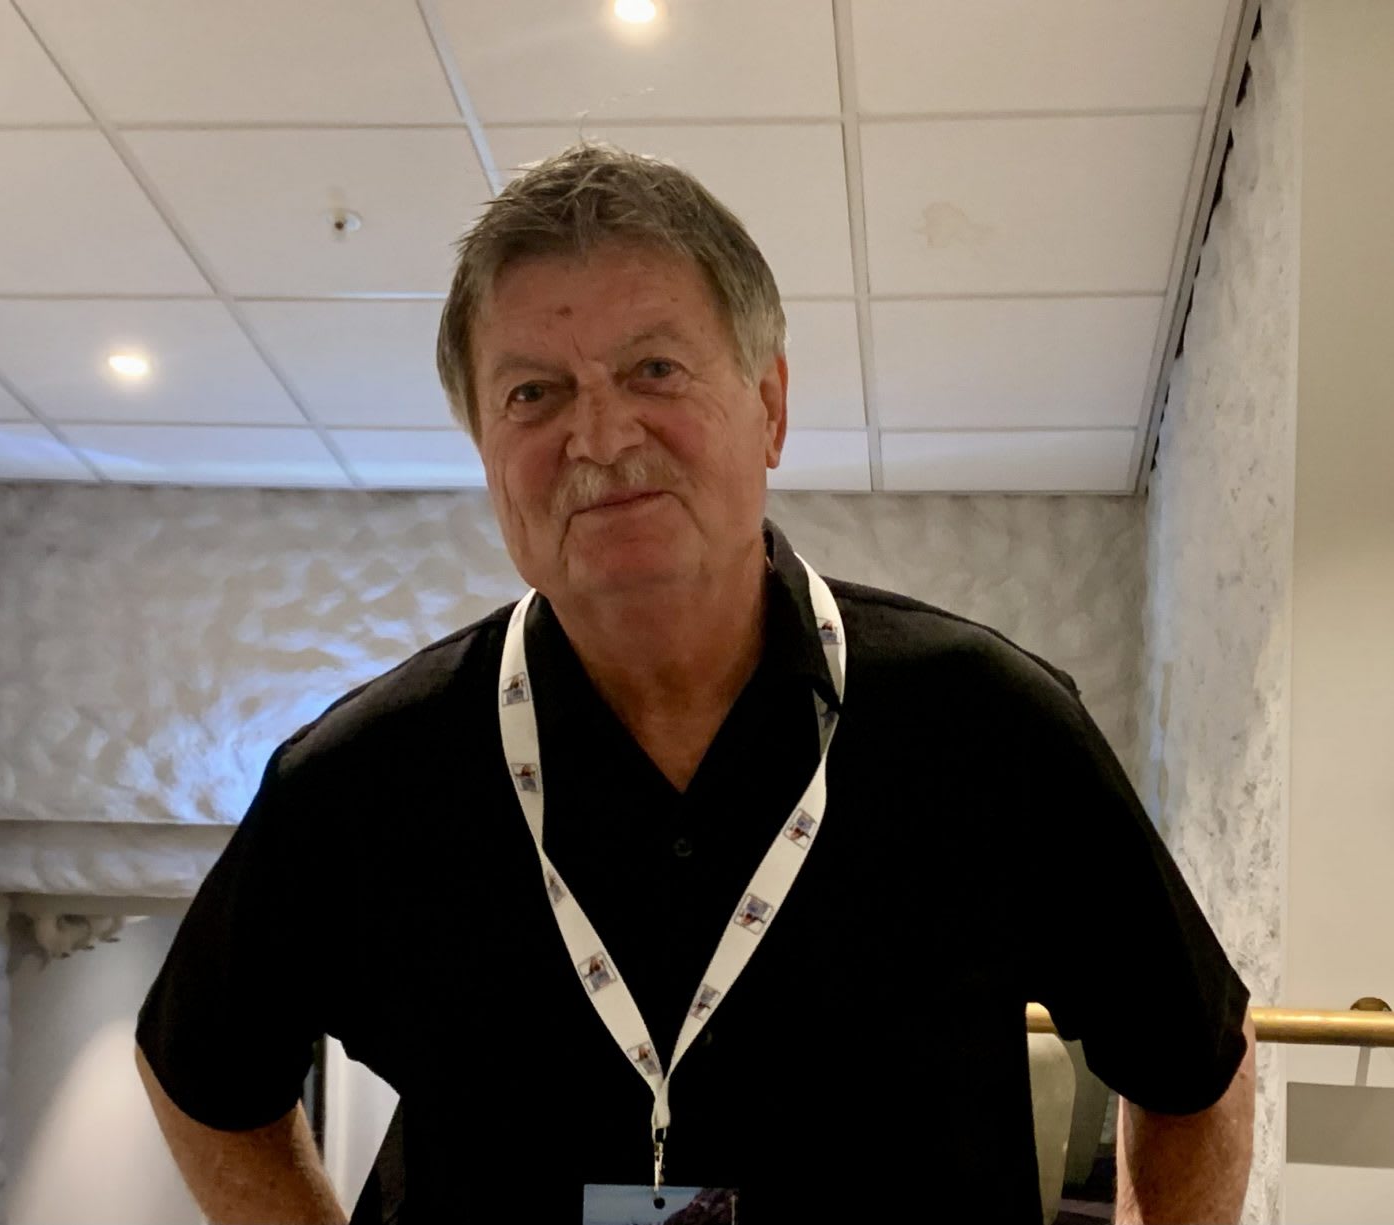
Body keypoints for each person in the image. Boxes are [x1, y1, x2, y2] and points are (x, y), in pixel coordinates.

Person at [136, 142, 1255, 1223]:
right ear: (483, 447)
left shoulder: (988, 727)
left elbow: (1197, 1062)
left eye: (654, 370)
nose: (598, 433)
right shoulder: (365, 777)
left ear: (770, 406)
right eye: (532, 393)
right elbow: (198, 1075)